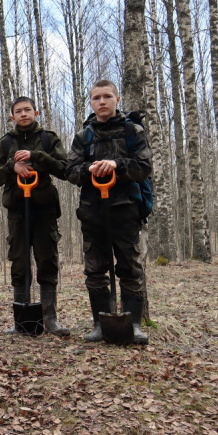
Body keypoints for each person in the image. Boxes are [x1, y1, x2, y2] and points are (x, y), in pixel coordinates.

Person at [65, 80, 153, 344]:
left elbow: (144, 167)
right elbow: (70, 171)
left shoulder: (133, 131)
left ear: (117, 99)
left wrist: (117, 164)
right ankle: (100, 324)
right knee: (95, 270)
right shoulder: (83, 136)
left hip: (126, 211)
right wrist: (89, 169)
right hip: (92, 213)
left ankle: (133, 325)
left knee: (130, 267)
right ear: (91, 103)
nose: (102, 102)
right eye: (96, 98)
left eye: (107, 97)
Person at [0, 96, 70, 335]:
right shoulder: (5, 143)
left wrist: (36, 156)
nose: (23, 114)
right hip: (17, 212)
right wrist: (12, 167)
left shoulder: (48, 139)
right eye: (19, 111)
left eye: (28, 110)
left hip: (44, 210)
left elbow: (65, 169)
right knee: (20, 264)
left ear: (36, 113)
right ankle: (21, 321)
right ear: (12, 116)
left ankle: (50, 319)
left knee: (47, 262)